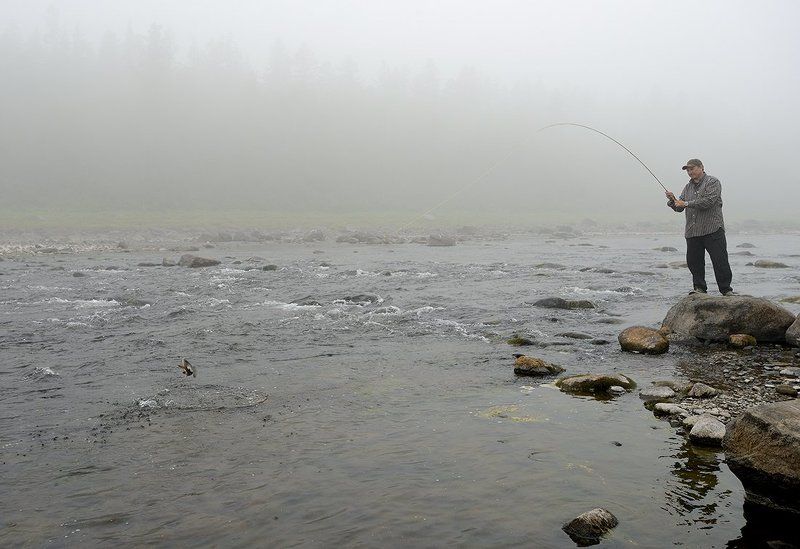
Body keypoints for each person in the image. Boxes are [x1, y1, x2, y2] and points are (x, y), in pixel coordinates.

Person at [665, 158, 734, 296]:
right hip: (692, 231)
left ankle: (726, 290)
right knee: (694, 262)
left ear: (701, 167)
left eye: (692, 168)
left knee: (720, 261)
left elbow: (708, 202)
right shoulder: (687, 187)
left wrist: (685, 203)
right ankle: (699, 288)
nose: (690, 172)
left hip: (713, 229)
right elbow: (679, 208)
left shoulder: (713, 182)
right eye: (688, 170)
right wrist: (673, 201)